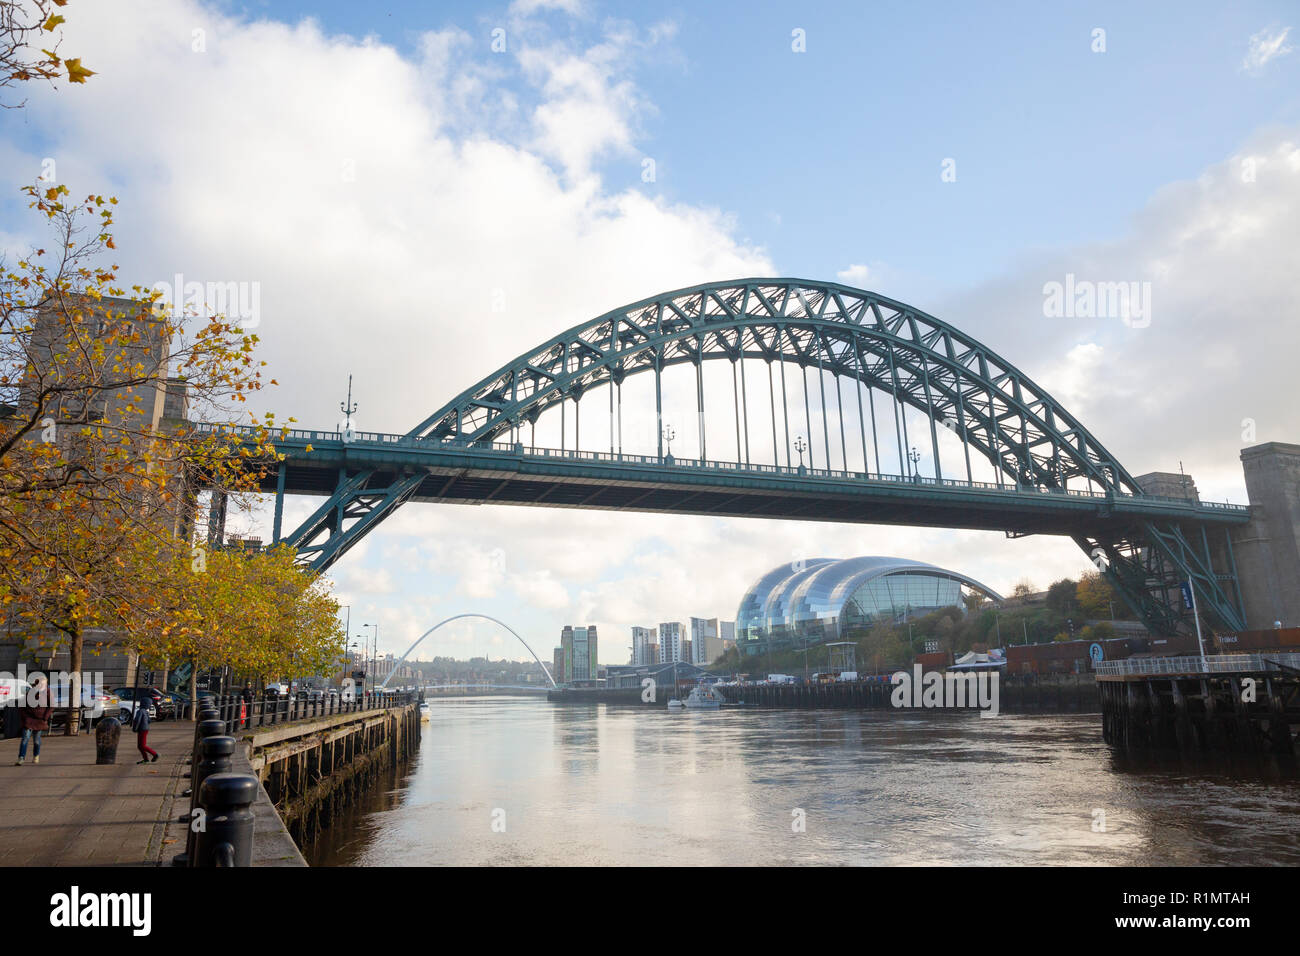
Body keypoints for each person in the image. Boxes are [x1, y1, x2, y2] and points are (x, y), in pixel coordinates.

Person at [15, 680, 52, 766]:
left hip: (39, 720)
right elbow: (22, 706)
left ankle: (36, 755)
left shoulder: (48, 693)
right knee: (25, 738)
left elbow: (51, 706)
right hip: (29, 720)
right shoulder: (30, 693)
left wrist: (45, 717)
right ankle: (21, 758)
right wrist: (25, 717)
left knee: (36, 740)